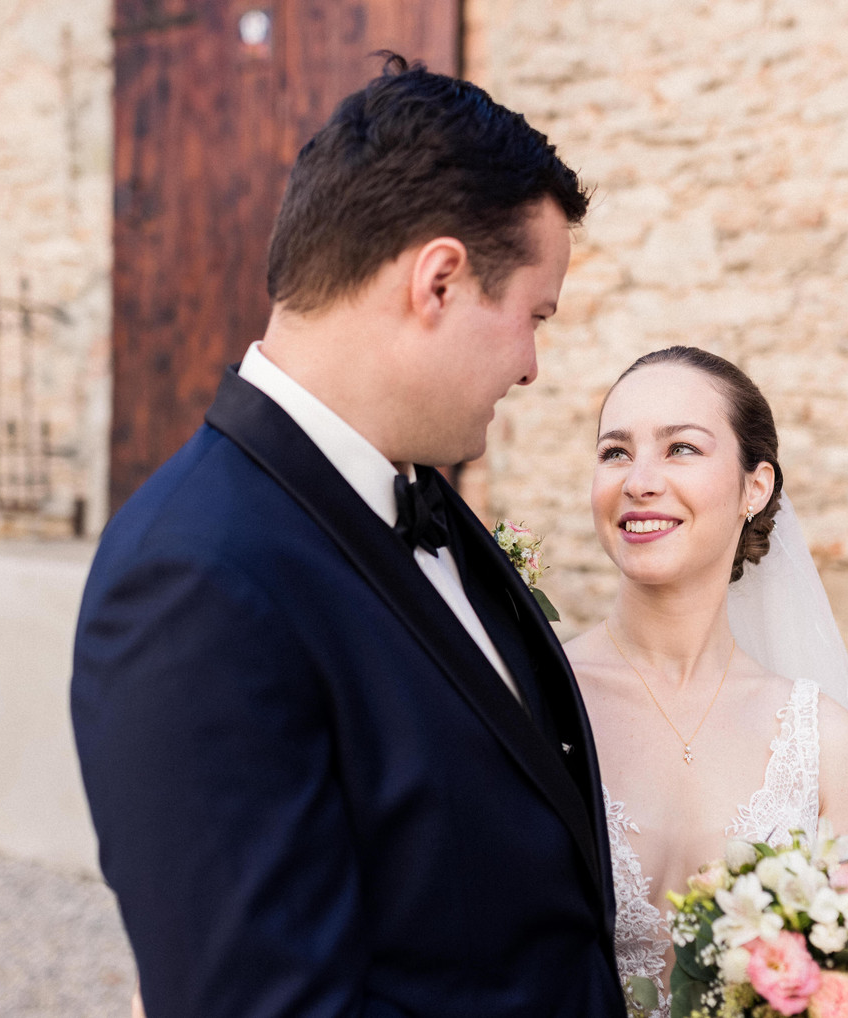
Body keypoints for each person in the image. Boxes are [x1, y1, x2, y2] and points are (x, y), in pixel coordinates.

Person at [71, 56, 626, 1018]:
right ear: (439, 282)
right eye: (534, 317)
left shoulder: (419, 492)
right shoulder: (193, 581)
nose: (534, 366)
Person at [563, 346, 848, 1016]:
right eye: (616, 452)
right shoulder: (536, 700)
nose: (639, 481)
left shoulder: (822, 739)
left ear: (757, 485)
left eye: (681, 448)